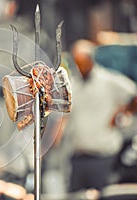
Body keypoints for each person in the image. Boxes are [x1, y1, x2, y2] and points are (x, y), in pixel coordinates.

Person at [66, 39, 137, 191]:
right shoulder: (72, 83)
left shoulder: (109, 80)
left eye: (82, 61)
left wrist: (122, 112)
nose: (80, 66)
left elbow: (134, 94)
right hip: (78, 156)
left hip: (103, 156)